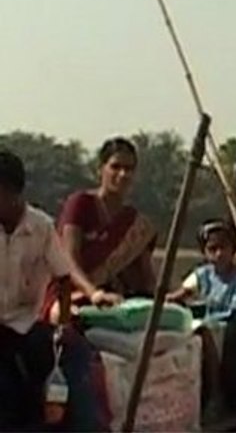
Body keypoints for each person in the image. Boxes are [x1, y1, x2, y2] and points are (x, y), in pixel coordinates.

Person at [0, 149, 118, 431]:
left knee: (75, 357)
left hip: (27, 322)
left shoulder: (40, 227)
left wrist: (63, 325)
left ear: (11, 192)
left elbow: (64, 278)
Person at [167, 219, 236, 416]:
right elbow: (180, 294)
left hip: (234, 329)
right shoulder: (202, 275)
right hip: (210, 324)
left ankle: (217, 395)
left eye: (223, 248)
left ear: (233, 249)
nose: (218, 254)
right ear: (205, 252)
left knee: (210, 334)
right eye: (212, 249)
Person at [47, 137, 156, 318]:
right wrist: (94, 293)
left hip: (116, 298)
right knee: (63, 315)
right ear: (101, 169)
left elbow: (146, 277)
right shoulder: (80, 204)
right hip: (72, 294)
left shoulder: (135, 223)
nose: (123, 174)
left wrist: (163, 298)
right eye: (115, 167)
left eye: (129, 169)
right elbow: (69, 260)